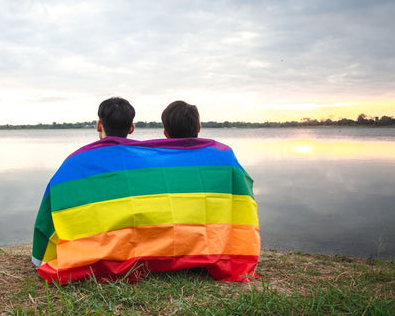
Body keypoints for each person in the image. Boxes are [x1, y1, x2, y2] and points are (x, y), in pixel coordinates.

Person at [32, 99, 260, 284]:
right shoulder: (222, 156)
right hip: (200, 243)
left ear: (98, 124)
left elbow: (54, 205)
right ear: (132, 128)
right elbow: (242, 194)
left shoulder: (77, 161)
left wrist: (40, 256)